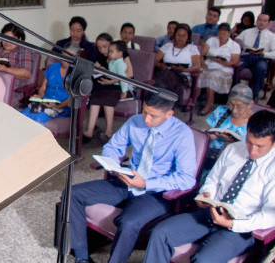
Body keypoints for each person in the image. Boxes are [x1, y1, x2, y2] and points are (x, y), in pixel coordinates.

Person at [65, 91, 197, 263]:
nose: (147, 120)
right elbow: (113, 147)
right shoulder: (135, 121)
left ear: (169, 114)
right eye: (145, 112)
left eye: (154, 116)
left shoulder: (182, 134)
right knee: (72, 193)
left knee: (128, 223)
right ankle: (82, 257)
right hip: (127, 181)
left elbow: (186, 178)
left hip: (155, 193)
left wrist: (147, 183)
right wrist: (112, 164)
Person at [143, 110, 275, 263]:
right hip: (210, 212)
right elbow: (212, 180)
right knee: (160, 233)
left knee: (204, 259)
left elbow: (270, 215)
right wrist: (207, 193)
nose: (253, 150)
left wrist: (233, 223)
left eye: (260, 146)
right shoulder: (233, 149)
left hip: (240, 228)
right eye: (249, 142)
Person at [199, 84, 254, 184]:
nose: (234, 110)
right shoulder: (221, 111)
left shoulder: (255, 122)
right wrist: (210, 134)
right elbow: (209, 132)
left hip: (234, 163)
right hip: (210, 156)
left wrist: (233, 142)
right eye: (231, 104)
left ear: (250, 105)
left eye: (239, 107)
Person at [83, 40, 130, 143]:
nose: (108, 52)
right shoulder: (112, 61)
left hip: (117, 87)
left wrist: (124, 91)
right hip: (106, 85)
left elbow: (124, 77)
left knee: (108, 100)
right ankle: (90, 130)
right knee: (95, 99)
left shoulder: (121, 62)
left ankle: (108, 130)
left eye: (110, 50)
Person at [21, 43, 79, 124]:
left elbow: (72, 98)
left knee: (38, 118)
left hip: (63, 107)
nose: (66, 60)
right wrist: (39, 96)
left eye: (70, 58)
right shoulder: (53, 67)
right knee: (22, 115)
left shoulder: (77, 74)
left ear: (76, 59)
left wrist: (58, 106)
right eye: (64, 57)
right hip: (44, 103)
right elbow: (43, 87)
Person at [196, 23, 241, 115]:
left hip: (224, 68)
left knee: (212, 76)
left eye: (224, 33)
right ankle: (193, 100)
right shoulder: (211, 40)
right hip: (209, 65)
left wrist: (218, 60)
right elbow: (202, 54)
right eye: (220, 33)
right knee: (198, 73)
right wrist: (203, 63)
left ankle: (208, 104)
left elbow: (233, 62)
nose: (221, 36)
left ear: (229, 34)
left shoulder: (234, 45)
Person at [154, 23, 201, 106]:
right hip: (165, 73)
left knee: (164, 79)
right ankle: (165, 105)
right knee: (166, 75)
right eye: (178, 35)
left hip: (182, 76)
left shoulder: (192, 48)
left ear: (188, 37)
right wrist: (161, 65)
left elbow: (197, 66)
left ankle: (158, 104)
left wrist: (184, 69)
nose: (180, 38)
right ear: (174, 35)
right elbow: (154, 61)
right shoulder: (167, 46)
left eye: (184, 36)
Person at [0, 23, 35, 107]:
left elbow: (27, 74)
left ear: (19, 39)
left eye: (11, 39)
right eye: (4, 38)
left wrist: (5, 70)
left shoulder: (23, 51)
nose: (7, 42)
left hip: (10, 92)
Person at [237, 13, 275, 101]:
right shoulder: (246, 32)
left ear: (268, 23)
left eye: (264, 21)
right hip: (246, 56)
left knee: (261, 68)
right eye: (260, 20)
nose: (261, 22)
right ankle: (238, 92)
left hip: (261, 59)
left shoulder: (272, 36)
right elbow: (236, 44)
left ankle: (254, 95)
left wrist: (263, 54)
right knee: (236, 65)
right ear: (256, 21)